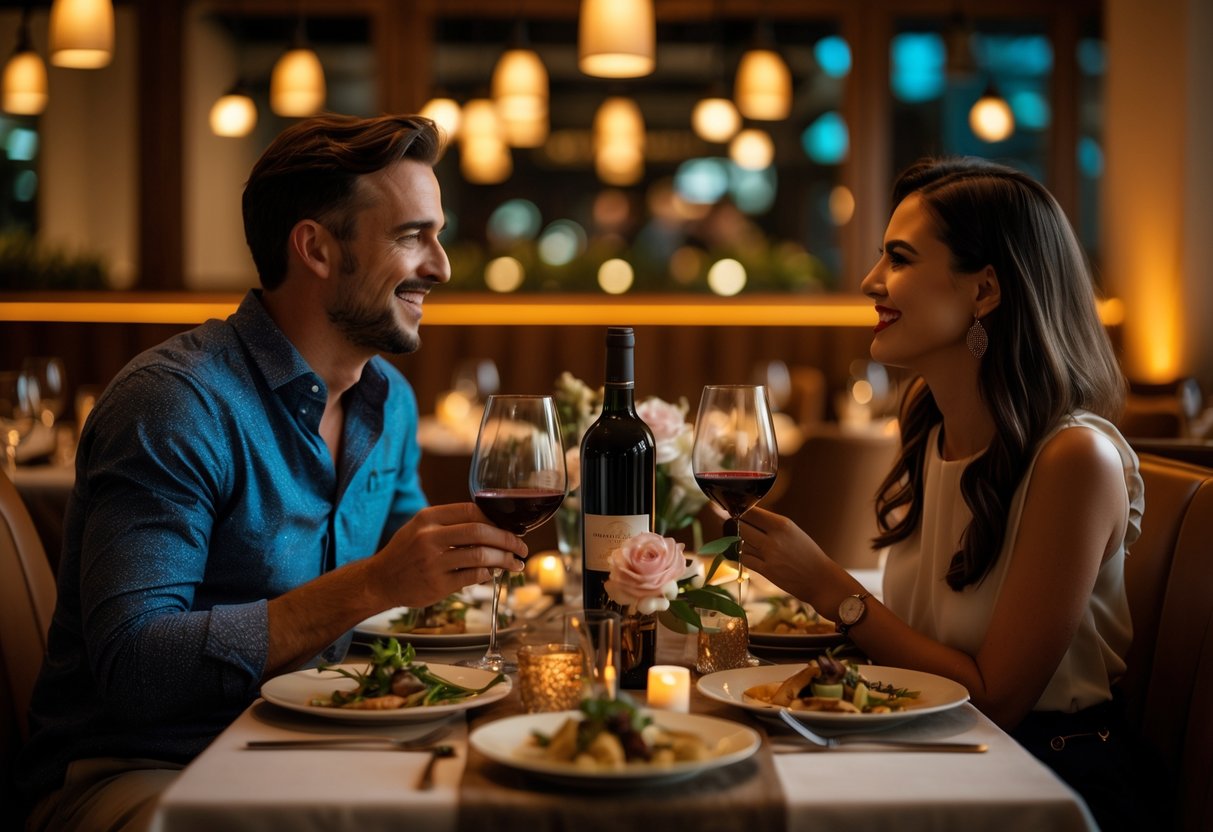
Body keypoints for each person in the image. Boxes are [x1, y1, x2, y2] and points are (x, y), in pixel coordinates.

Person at [18, 114, 528, 831]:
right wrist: (373, 582)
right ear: (316, 247)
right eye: (413, 236)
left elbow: (411, 608)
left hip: (314, 740)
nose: (440, 266)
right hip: (145, 771)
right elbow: (134, 667)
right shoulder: (174, 403)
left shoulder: (389, 402)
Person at [742, 157, 1148, 829]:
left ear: (984, 291)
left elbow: (997, 699)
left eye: (898, 259)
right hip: (938, 748)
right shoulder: (930, 423)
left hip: (1048, 779)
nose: (871, 281)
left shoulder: (1075, 458)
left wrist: (830, 589)